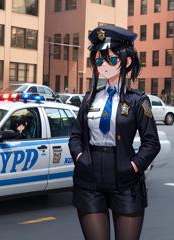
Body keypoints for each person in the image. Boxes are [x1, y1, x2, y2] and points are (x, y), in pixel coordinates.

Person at [68, 25, 161, 240]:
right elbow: (75, 136)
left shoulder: (138, 100)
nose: (104, 66)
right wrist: (81, 158)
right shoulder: (90, 98)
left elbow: (151, 143)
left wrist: (133, 166)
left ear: (127, 61)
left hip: (125, 179)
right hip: (89, 178)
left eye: (111, 60)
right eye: (99, 60)